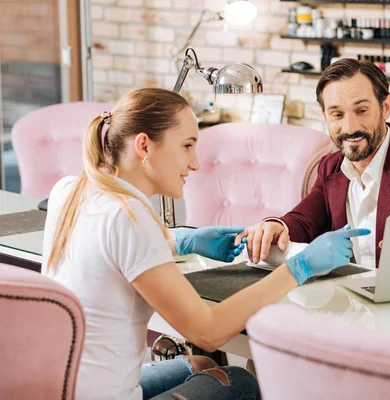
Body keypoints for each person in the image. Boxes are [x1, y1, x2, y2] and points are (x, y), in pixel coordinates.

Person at [41, 88, 369, 400]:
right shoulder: (132, 216)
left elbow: (109, 247)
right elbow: (209, 332)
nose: (195, 163)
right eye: (186, 146)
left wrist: (182, 241)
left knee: (202, 366)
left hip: (58, 389)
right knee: (240, 381)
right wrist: (299, 268)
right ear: (144, 145)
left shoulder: (69, 190)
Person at [241, 58, 390, 269]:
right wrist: (277, 225)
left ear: (386, 107)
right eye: (337, 114)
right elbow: (304, 219)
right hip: (349, 305)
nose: (350, 127)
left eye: (362, 110)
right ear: (325, 116)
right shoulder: (330, 167)